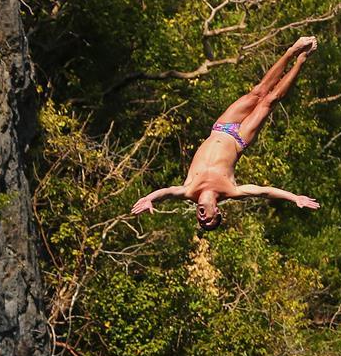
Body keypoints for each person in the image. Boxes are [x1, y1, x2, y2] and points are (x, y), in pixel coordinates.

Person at [131, 36, 320, 229]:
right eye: (209, 221)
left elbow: (168, 192)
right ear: (218, 211)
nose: (203, 219)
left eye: (201, 221)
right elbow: (263, 191)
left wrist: (149, 198)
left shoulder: (189, 191)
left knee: (258, 92)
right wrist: (294, 197)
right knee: (270, 101)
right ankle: (301, 59)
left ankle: (291, 51)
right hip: (240, 139)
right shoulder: (231, 190)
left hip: (222, 127)